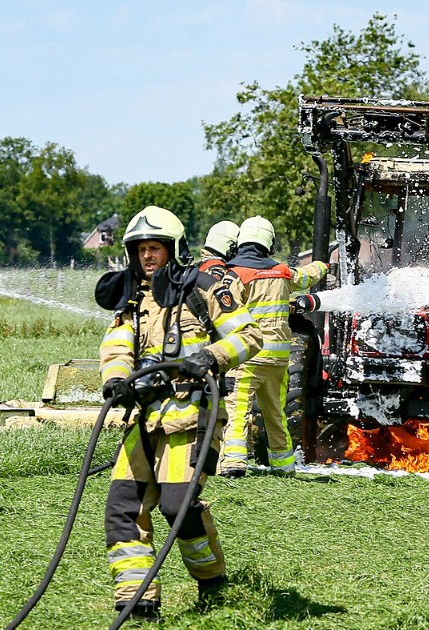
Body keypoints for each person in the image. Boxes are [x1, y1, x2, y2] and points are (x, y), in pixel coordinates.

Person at [97, 206, 263, 617]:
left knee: (176, 507)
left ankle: (213, 582)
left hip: (193, 415)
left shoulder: (204, 287)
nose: (147, 257)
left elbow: (250, 335)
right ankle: (137, 603)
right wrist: (116, 379)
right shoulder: (131, 296)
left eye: (155, 248)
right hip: (144, 416)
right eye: (140, 250)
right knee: (122, 508)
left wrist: (210, 356)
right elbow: (117, 345)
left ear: (173, 249)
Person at [218, 215, 328, 477]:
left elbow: (224, 311)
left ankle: (233, 463)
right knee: (275, 413)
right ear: (269, 242)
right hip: (278, 360)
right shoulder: (281, 271)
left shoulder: (234, 274)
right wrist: (322, 265)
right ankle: (284, 466)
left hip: (247, 357)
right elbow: (306, 277)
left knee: (238, 409)